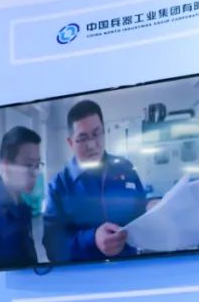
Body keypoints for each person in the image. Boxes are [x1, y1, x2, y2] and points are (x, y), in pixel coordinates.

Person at [43, 99, 147, 263]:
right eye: (82, 138)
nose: (92, 145)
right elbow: (53, 246)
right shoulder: (59, 186)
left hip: (130, 267)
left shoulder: (126, 169)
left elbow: (141, 211)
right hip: (86, 274)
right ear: (70, 142)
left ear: (104, 132)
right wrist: (92, 239)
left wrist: (153, 206)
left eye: (96, 134)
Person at [0, 126, 42, 270]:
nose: (35, 173)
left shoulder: (23, 209)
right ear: (6, 166)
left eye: (37, 165)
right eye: (28, 165)